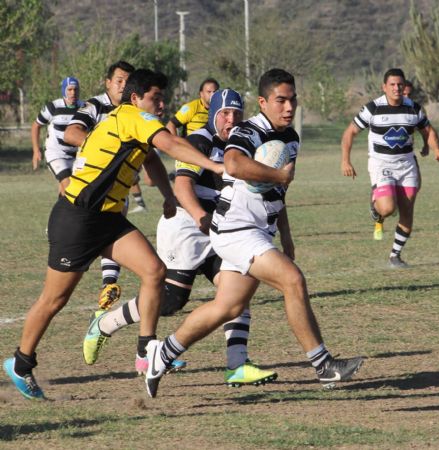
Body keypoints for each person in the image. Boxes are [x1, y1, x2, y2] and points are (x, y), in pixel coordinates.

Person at [3, 69, 224, 400]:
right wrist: (217, 167)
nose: (162, 104)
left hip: (106, 218)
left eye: (163, 98)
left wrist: (166, 195)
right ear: (136, 99)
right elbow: (171, 143)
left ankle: (145, 350)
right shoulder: (134, 117)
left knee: (154, 271)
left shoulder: (133, 120)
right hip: (78, 218)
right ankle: (20, 363)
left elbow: (150, 158)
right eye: (156, 97)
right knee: (54, 300)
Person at [143, 69, 364, 398]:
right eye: (280, 101)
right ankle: (324, 366)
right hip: (234, 229)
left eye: (292, 100)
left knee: (227, 307)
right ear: (263, 102)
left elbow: (278, 190)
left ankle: (161, 355)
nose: (288, 107)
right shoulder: (248, 131)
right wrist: (277, 174)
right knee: (293, 280)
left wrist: (286, 234)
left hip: (259, 230)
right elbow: (233, 165)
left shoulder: (291, 138)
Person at [82, 88, 277, 386]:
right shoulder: (199, 141)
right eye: (225, 113)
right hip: (186, 228)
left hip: (220, 230)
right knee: (172, 300)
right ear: (213, 115)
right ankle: (105, 323)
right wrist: (201, 216)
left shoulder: (242, 145)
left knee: (237, 291)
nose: (231, 119)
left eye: (237, 114)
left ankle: (237, 364)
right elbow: (182, 187)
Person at [340, 68, 439, 262]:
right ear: (384, 87)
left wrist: (436, 150)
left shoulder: (413, 108)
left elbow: (428, 131)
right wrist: (346, 160)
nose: (396, 88)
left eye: (400, 84)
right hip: (381, 164)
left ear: (405, 87)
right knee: (388, 208)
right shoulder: (373, 108)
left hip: (407, 165)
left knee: (407, 210)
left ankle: (395, 255)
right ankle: (376, 209)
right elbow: (350, 133)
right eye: (392, 85)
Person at [63, 60, 135, 312]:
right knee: (81, 243)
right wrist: (103, 154)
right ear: (108, 82)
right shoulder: (94, 105)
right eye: (119, 80)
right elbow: (71, 133)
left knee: (114, 225)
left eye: (128, 82)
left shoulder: (131, 112)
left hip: (116, 189)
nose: (123, 86)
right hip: (86, 187)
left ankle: (109, 283)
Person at [31, 76, 85, 195]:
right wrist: (36, 150)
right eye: (70, 89)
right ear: (64, 90)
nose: (73, 93)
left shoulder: (85, 108)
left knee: (70, 189)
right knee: (69, 186)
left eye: (75, 90)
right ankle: (73, 213)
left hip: (77, 155)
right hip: (56, 153)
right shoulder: (53, 107)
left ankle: (60, 213)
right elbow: (36, 126)